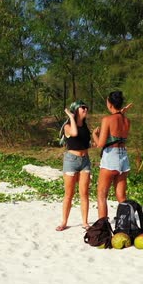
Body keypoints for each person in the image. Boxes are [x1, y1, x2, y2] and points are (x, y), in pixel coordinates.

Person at [92, 91, 131, 219]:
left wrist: (94, 135)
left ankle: (103, 227)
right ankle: (126, 224)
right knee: (121, 196)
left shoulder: (107, 119)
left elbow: (100, 144)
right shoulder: (126, 120)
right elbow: (118, 130)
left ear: (109, 103)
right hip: (123, 156)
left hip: (111, 157)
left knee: (102, 194)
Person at [56, 100, 93, 231]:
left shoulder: (85, 125)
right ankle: (64, 222)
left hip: (85, 161)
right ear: (76, 110)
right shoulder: (67, 126)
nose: (85, 110)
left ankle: (85, 222)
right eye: (83, 108)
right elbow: (74, 133)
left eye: (86, 108)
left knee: (84, 193)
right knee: (69, 194)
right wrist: (71, 117)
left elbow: (86, 141)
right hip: (71, 161)